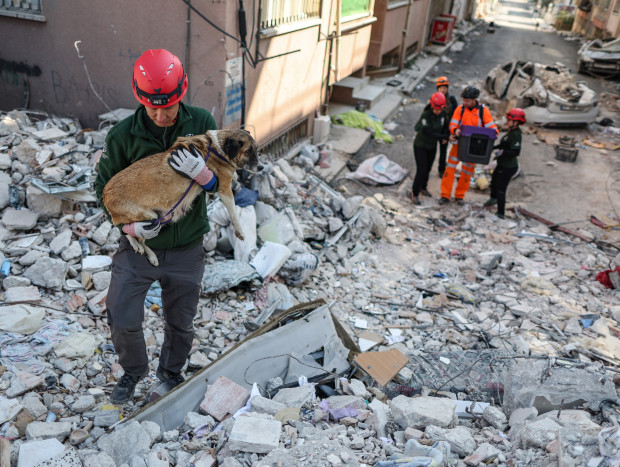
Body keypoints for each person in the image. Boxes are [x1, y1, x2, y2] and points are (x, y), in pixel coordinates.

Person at [94, 49, 219, 404]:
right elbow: (102, 190)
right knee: (121, 314)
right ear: (140, 98)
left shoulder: (202, 122)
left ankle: (171, 372)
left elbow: (227, 180)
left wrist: (207, 179)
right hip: (138, 248)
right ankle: (133, 372)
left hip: (187, 247)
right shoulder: (122, 136)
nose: (162, 115)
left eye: (169, 106)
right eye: (153, 108)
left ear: (183, 91)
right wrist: (128, 228)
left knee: (181, 321)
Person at [439, 86, 498, 206]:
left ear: (474, 100)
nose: (464, 102)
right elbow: (453, 123)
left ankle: (459, 196)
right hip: (458, 145)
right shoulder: (460, 109)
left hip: (473, 148)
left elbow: (492, 128)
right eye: (464, 100)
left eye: (467, 101)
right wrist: (455, 130)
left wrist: (493, 133)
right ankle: (445, 195)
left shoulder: (483, 111)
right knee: (449, 169)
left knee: (466, 173)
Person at [484, 108, 525, 219]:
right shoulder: (510, 132)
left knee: (501, 189)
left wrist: (503, 152)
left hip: (509, 167)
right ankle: (493, 198)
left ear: (516, 122)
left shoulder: (516, 135)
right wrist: (494, 147)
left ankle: (500, 213)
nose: (507, 122)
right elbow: (504, 144)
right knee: (494, 181)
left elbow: (516, 152)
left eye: (509, 120)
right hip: (502, 163)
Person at [411, 92, 450, 205]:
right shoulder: (426, 115)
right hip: (421, 145)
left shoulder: (443, 114)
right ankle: (415, 192)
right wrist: (444, 137)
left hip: (432, 146)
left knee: (428, 168)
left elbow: (445, 127)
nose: (437, 112)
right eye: (436, 109)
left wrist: (445, 136)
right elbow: (429, 132)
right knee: (421, 169)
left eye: (439, 110)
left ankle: (424, 187)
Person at [435, 77, 459, 177]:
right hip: (436, 128)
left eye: (445, 87)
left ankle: (441, 169)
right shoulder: (434, 99)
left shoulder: (451, 99)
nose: (443, 90)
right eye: (441, 88)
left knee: (443, 151)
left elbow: (457, 114)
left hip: (446, 129)